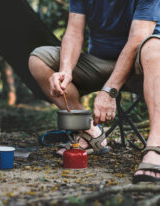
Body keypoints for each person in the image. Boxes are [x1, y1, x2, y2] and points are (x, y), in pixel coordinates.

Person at [29, 0, 160, 183]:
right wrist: (65, 70)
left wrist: (110, 90)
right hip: (99, 62)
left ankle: (156, 146)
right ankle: (89, 131)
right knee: (38, 59)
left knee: (156, 47)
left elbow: (137, 39)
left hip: (142, 66)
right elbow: (74, 33)